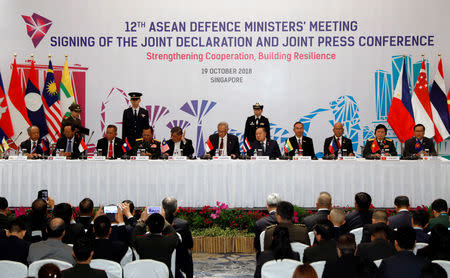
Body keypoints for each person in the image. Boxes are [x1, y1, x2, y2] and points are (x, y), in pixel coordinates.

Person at [132, 213, 179, 278]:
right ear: (163, 227)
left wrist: (142, 221)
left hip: (145, 275)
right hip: (165, 275)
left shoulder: (140, 241)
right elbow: (173, 233)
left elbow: (135, 234)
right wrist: (163, 220)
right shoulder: (169, 241)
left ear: (148, 227)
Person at [161, 197, 194, 278]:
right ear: (176, 210)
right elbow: (189, 244)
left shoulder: (155, 222)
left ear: (162, 208)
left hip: (159, 255)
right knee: (188, 254)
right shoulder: (183, 224)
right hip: (178, 258)